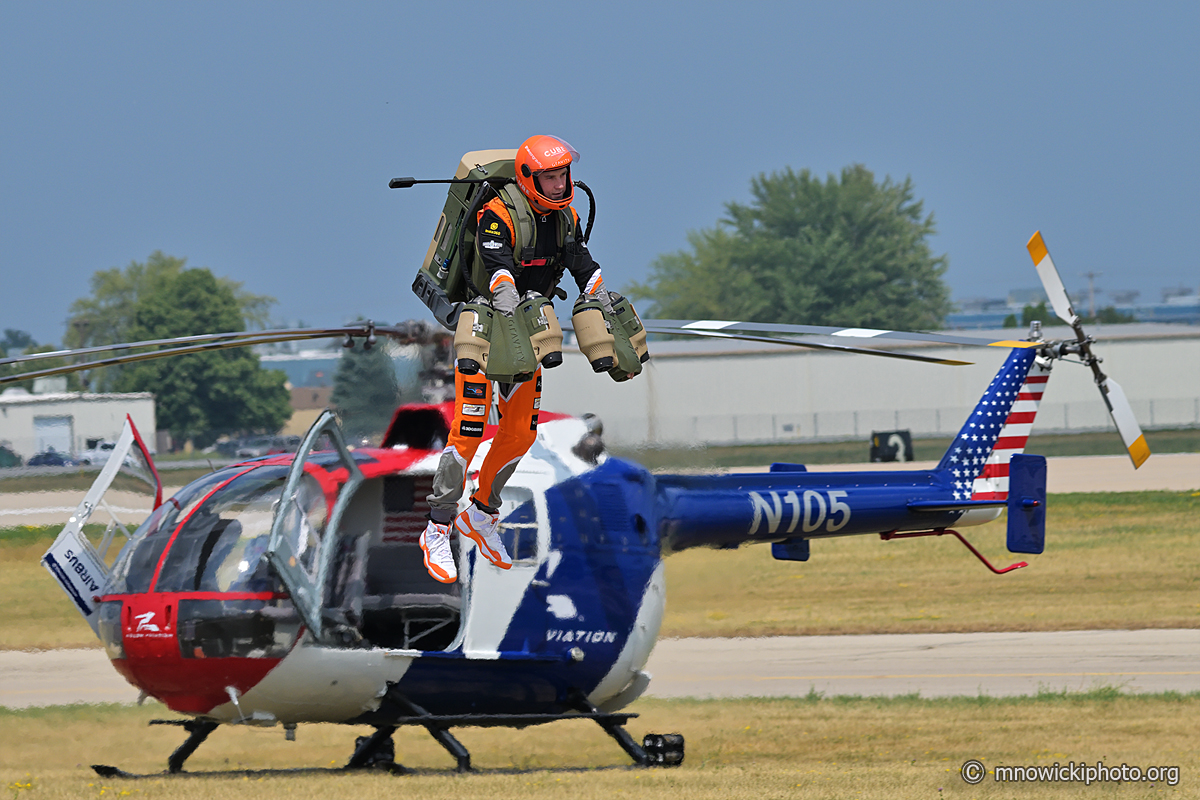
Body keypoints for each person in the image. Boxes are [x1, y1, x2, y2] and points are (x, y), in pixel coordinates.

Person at [420, 135, 620, 583]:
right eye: (550, 175)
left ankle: (482, 513)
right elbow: (498, 271)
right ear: (530, 177)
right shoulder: (497, 214)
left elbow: (582, 264)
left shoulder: (565, 217)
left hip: (528, 328)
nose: (559, 182)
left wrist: (600, 295)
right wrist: (517, 304)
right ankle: (438, 526)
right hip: (485, 328)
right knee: (468, 432)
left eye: (563, 173)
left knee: (519, 434)